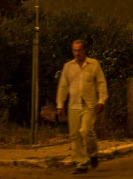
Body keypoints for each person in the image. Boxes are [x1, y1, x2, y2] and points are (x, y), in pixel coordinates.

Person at [56, 40, 108, 174]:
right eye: (75, 50)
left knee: (85, 130)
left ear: (84, 50)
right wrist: (60, 105)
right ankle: (82, 163)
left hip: (89, 104)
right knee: (74, 134)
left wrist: (101, 100)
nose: (77, 53)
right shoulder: (68, 67)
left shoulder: (94, 64)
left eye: (79, 50)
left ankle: (93, 153)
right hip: (73, 104)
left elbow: (101, 83)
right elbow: (63, 86)